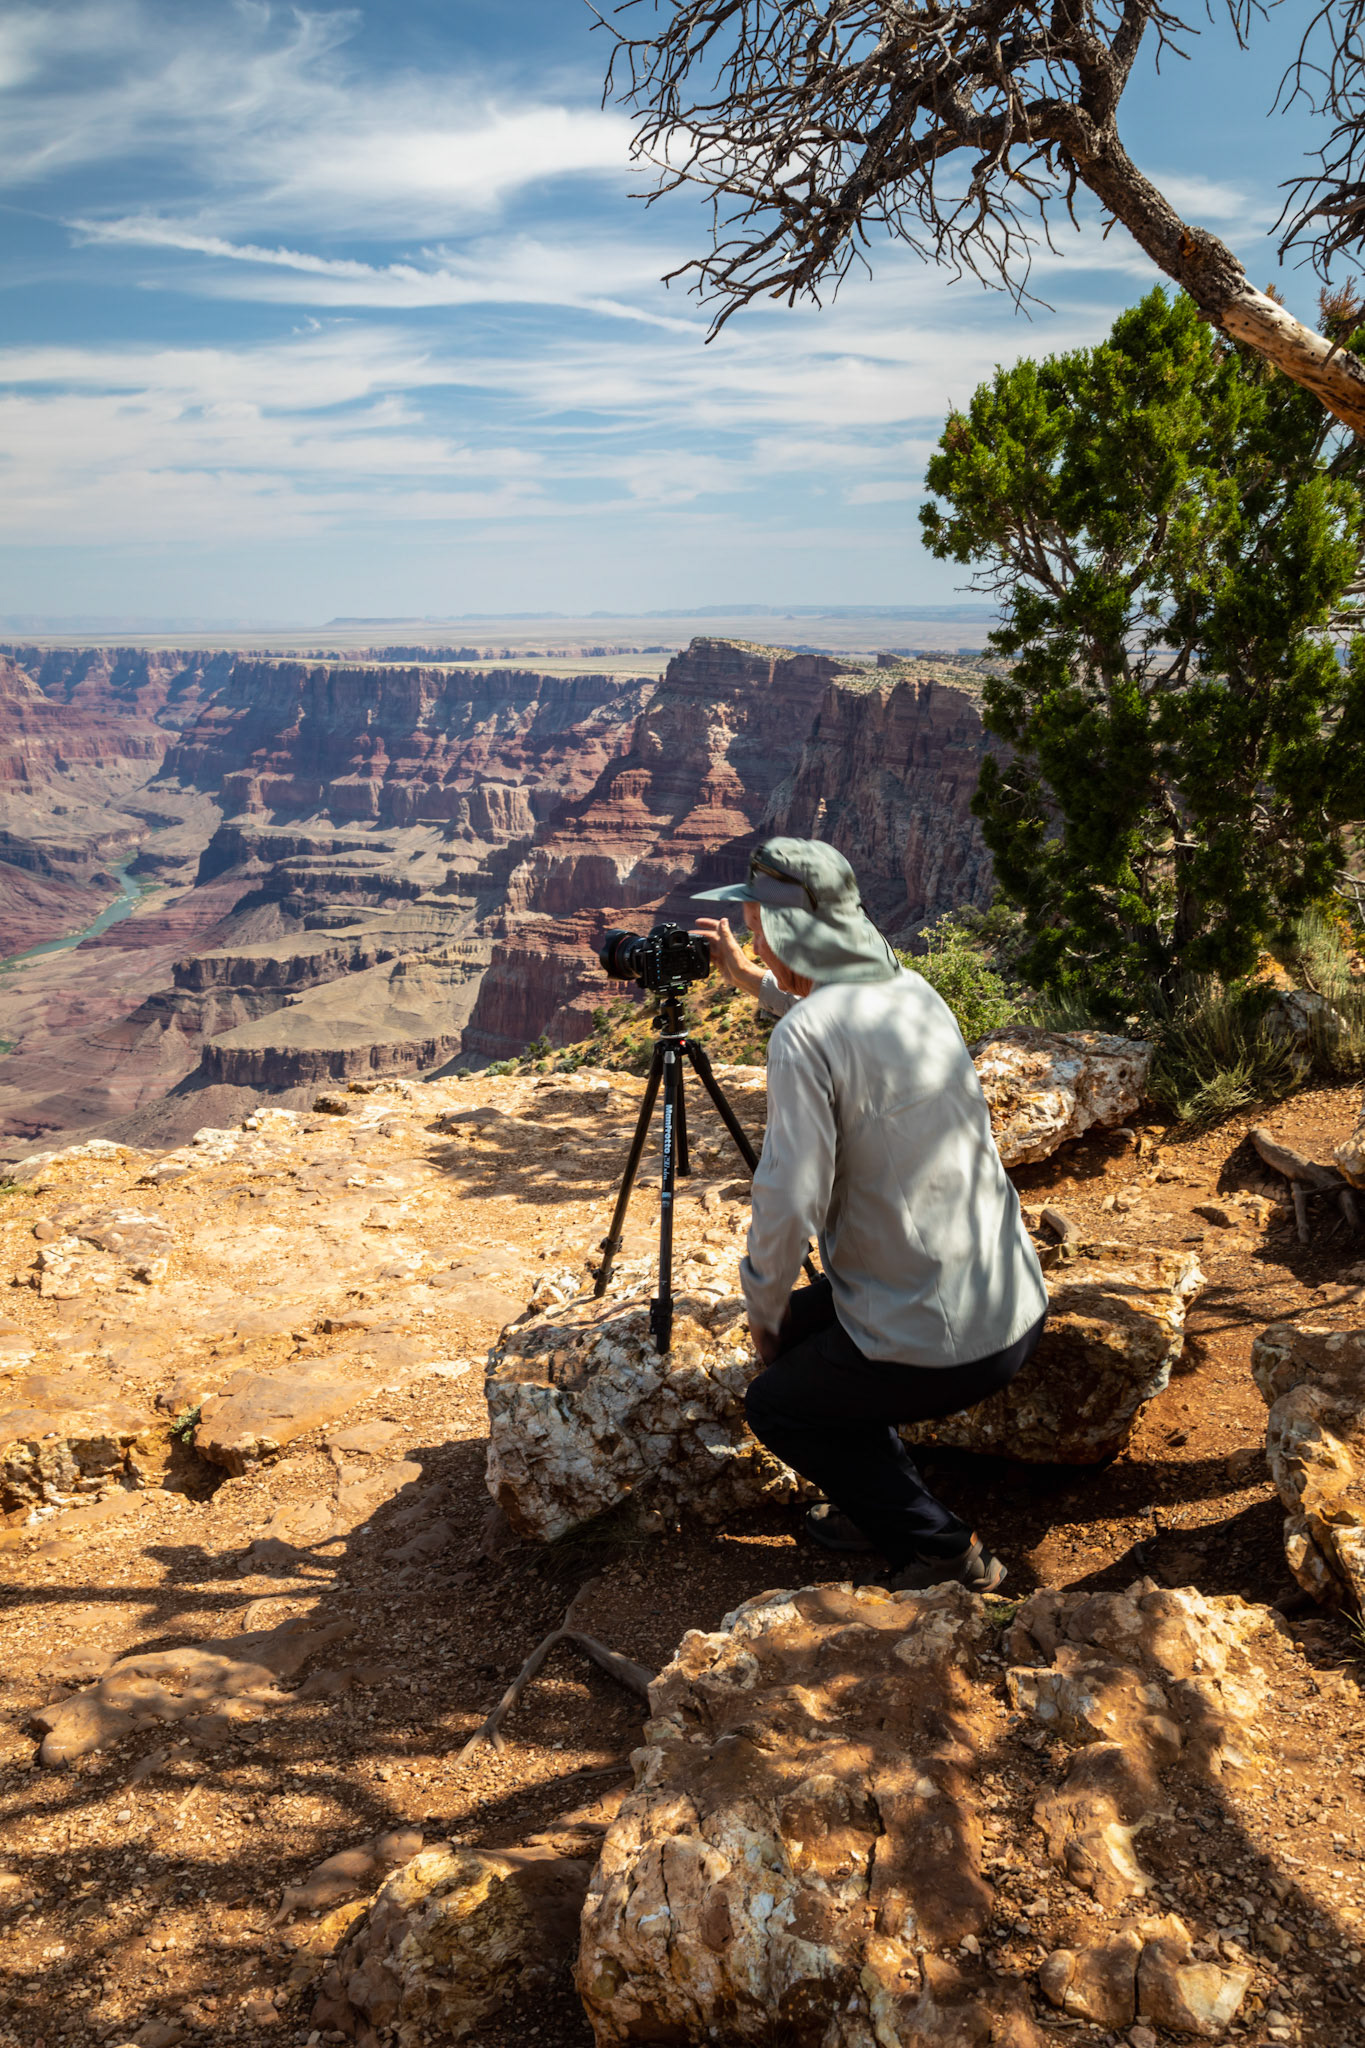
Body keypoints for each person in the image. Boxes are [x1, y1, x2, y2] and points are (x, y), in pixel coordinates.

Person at [692, 837, 1047, 1592]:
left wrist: (762, 1311)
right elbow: (840, 1023)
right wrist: (749, 982)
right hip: (1010, 1303)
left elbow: (788, 1199)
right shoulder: (912, 991)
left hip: (945, 1341)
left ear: (790, 929)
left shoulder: (803, 1039)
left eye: (758, 925)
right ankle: (876, 1502)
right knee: (809, 1336)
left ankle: (942, 1551)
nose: (756, 939)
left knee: (778, 1404)